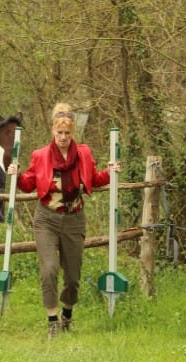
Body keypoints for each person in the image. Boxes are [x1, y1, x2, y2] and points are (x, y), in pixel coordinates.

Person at [8, 103, 121, 338]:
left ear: (73, 134)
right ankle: (52, 322)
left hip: (74, 219)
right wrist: (16, 174)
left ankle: (67, 316)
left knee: (72, 275)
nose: (63, 137)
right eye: (59, 133)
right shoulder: (40, 156)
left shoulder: (84, 154)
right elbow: (29, 184)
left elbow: (95, 180)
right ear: (52, 132)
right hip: (47, 219)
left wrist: (110, 172)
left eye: (67, 133)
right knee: (49, 269)